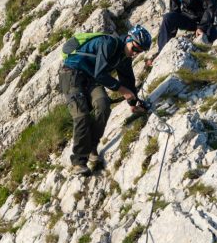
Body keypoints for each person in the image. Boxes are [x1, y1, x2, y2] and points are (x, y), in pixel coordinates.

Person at [58, 25, 152, 176]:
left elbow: (128, 81)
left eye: (140, 51)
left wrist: (133, 104)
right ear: (128, 38)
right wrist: (122, 90)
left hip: (91, 79)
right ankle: (79, 162)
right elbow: (100, 73)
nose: (135, 53)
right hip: (71, 74)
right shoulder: (110, 43)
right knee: (81, 116)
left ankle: (92, 147)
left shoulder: (124, 58)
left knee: (103, 105)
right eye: (135, 48)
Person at [149, 0, 217, 65]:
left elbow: (210, 7)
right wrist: (169, 41)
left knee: (214, 39)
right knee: (168, 17)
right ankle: (161, 51)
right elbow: (174, 14)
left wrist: (202, 27)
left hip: (204, 20)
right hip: (189, 20)